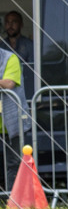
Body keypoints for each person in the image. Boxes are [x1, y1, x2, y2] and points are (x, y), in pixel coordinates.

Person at [0, 47, 30, 196]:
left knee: (13, 164)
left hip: (11, 123)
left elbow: (9, 83)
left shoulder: (9, 58)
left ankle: (12, 201)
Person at [3, 11, 34, 98]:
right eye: (7, 22)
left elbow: (32, 70)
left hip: (26, 91)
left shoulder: (29, 45)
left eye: (14, 22)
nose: (10, 25)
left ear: (21, 25)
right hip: (5, 94)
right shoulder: (1, 46)